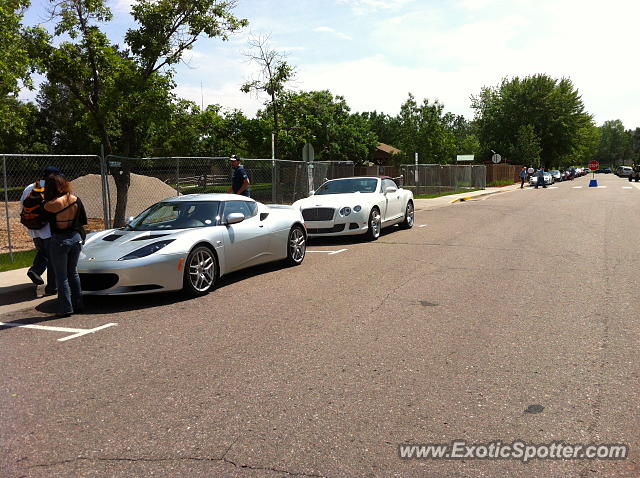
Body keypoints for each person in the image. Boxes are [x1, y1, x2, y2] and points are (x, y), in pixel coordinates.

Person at [43, 175, 88, 318]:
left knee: (61, 277)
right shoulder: (76, 199)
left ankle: (65, 308)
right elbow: (82, 221)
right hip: (75, 238)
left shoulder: (49, 204)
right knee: (73, 273)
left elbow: (42, 221)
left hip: (59, 240)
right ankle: (78, 304)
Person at [20, 166, 61, 294]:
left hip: (34, 228)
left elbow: (22, 205)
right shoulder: (52, 187)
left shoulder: (29, 187)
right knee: (53, 258)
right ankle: (51, 287)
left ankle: (36, 271)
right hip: (48, 229)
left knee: (44, 252)